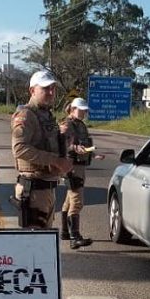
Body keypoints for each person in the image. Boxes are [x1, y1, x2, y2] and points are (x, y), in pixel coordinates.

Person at [10, 70, 73, 229]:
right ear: (32, 90)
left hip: (46, 189)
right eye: (45, 89)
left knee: (43, 242)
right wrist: (56, 160)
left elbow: (48, 144)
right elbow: (19, 148)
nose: (51, 92)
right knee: (34, 244)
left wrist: (65, 141)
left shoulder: (46, 115)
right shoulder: (26, 115)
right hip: (33, 190)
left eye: (53, 88)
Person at [59, 97, 105, 249]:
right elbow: (62, 143)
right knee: (77, 200)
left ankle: (65, 232)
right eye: (82, 110)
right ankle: (75, 236)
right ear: (73, 109)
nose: (84, 113)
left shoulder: (80, 124)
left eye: (85, 110)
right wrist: (73, 148)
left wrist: (92, 154)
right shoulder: (67, 124)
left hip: (79, 163)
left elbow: (83, 144)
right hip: (72, 165)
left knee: (69, 199)